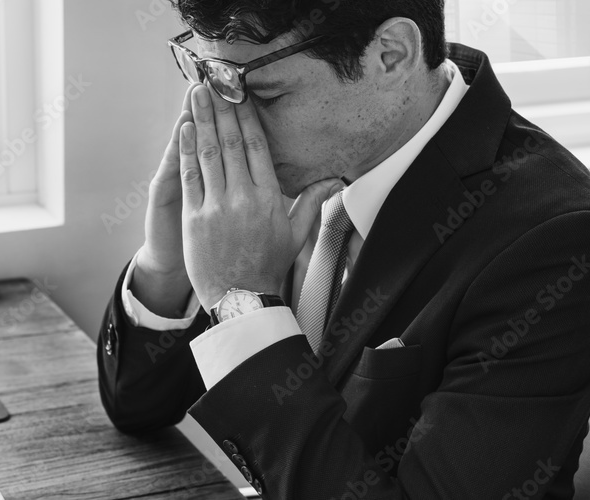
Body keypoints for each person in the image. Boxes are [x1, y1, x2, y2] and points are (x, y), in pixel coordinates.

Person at [96, 0, 590, 498]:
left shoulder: (554, 241)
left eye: (264, 92)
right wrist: (166, 266)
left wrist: (240, 304)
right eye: (208, 74)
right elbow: (138, 406)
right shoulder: (294, 170)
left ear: (391, 54)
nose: (230, 117)